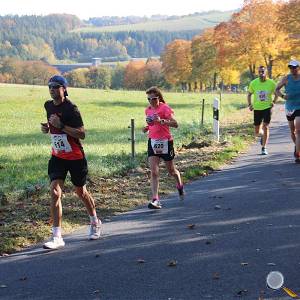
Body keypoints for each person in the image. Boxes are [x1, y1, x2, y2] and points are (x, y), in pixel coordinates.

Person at [41, 75, 101, 249]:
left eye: (55, 86)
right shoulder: (48, 105)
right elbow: (53, 123)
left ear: (64, 89)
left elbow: (82, 134)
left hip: (75, 157)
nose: (52, 89)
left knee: (81, 191)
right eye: (49, 86)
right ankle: (57, 236)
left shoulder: (72, 109)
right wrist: (47, 127)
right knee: (55, 191)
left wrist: (61, 126)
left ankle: (95, 221)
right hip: (58, 156)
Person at [143, 86, 184, 209]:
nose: (151, 101)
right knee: (154, 172)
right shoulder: (148, 110)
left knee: (171, 171)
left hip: (166, 142)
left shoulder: (165, 108)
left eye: (154, 99)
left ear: (159, 98)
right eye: (149, 99)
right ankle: (155, 199)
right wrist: (147, 128)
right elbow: (151, 124)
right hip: (153, 142)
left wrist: (163, 121)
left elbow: (175, 124)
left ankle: (180, 186)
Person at [247, 66, 278, 155]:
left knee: (266, 126)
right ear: (258, 73)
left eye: (263, 71)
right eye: (259, 72)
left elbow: (276, 93)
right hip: (257, 108)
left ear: (266, 72)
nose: (261, 73)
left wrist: (274, 102)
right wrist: (249, 105)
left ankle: (264, 148)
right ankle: (262, 135)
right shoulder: (253, 83)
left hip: (267, 108)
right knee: (257, 131)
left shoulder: (271, 83)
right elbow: (249, 94)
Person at [276, 60, 300, 163]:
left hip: (299, 106)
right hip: (289, 107)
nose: (292, 69)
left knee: (299, 131)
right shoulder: (286, 78)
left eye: (294, 67)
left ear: (298, 68)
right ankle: (297, 145)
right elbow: (276, 89)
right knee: (292, 131)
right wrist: (282, 96)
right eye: (290, 67)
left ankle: (298, 154)